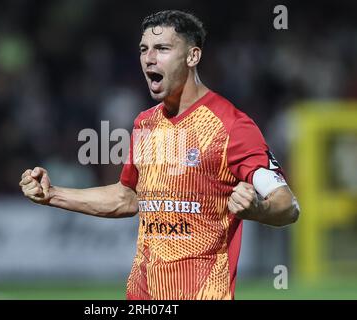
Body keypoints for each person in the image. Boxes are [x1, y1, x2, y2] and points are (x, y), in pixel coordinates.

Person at [19, 10, 299, 300]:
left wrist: (259, 210)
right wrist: (53, 195)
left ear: (192, 57)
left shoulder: (232, 125)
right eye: (144, 49)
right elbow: (126, 197)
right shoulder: (145, 123)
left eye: (162, 48)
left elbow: (288, 205)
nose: (149, 58)